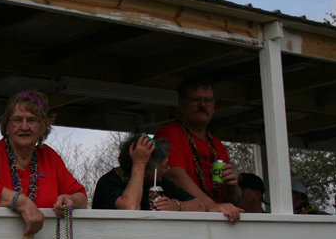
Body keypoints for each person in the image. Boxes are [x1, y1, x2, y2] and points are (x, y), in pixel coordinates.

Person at [0, 91, 87, 236]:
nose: (24, 126)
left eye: (32, 120)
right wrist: (19, 201)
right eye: (17, 120)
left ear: (42, 128)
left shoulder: (50, 157)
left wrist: (70, 200)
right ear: (7, 126)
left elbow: (81, 198)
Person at [154, 74, 243, 223]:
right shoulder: (170, 133)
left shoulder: (217, 144)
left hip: (218, 221)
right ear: (181, 105)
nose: (203, 105)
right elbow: (174, 175)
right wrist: (212, 206)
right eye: (196, 100)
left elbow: (232, 200)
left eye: (208, 100)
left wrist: (232, 187)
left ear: (214, 107)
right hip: (183, 222)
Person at [92, 134, 204, 212]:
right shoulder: (108, 182)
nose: (165, 172)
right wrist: (139, 164)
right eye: (162, 168)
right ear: (145, 171)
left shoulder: (159, 182)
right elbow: (130, 207)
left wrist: (176, 206)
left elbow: (200, 206)